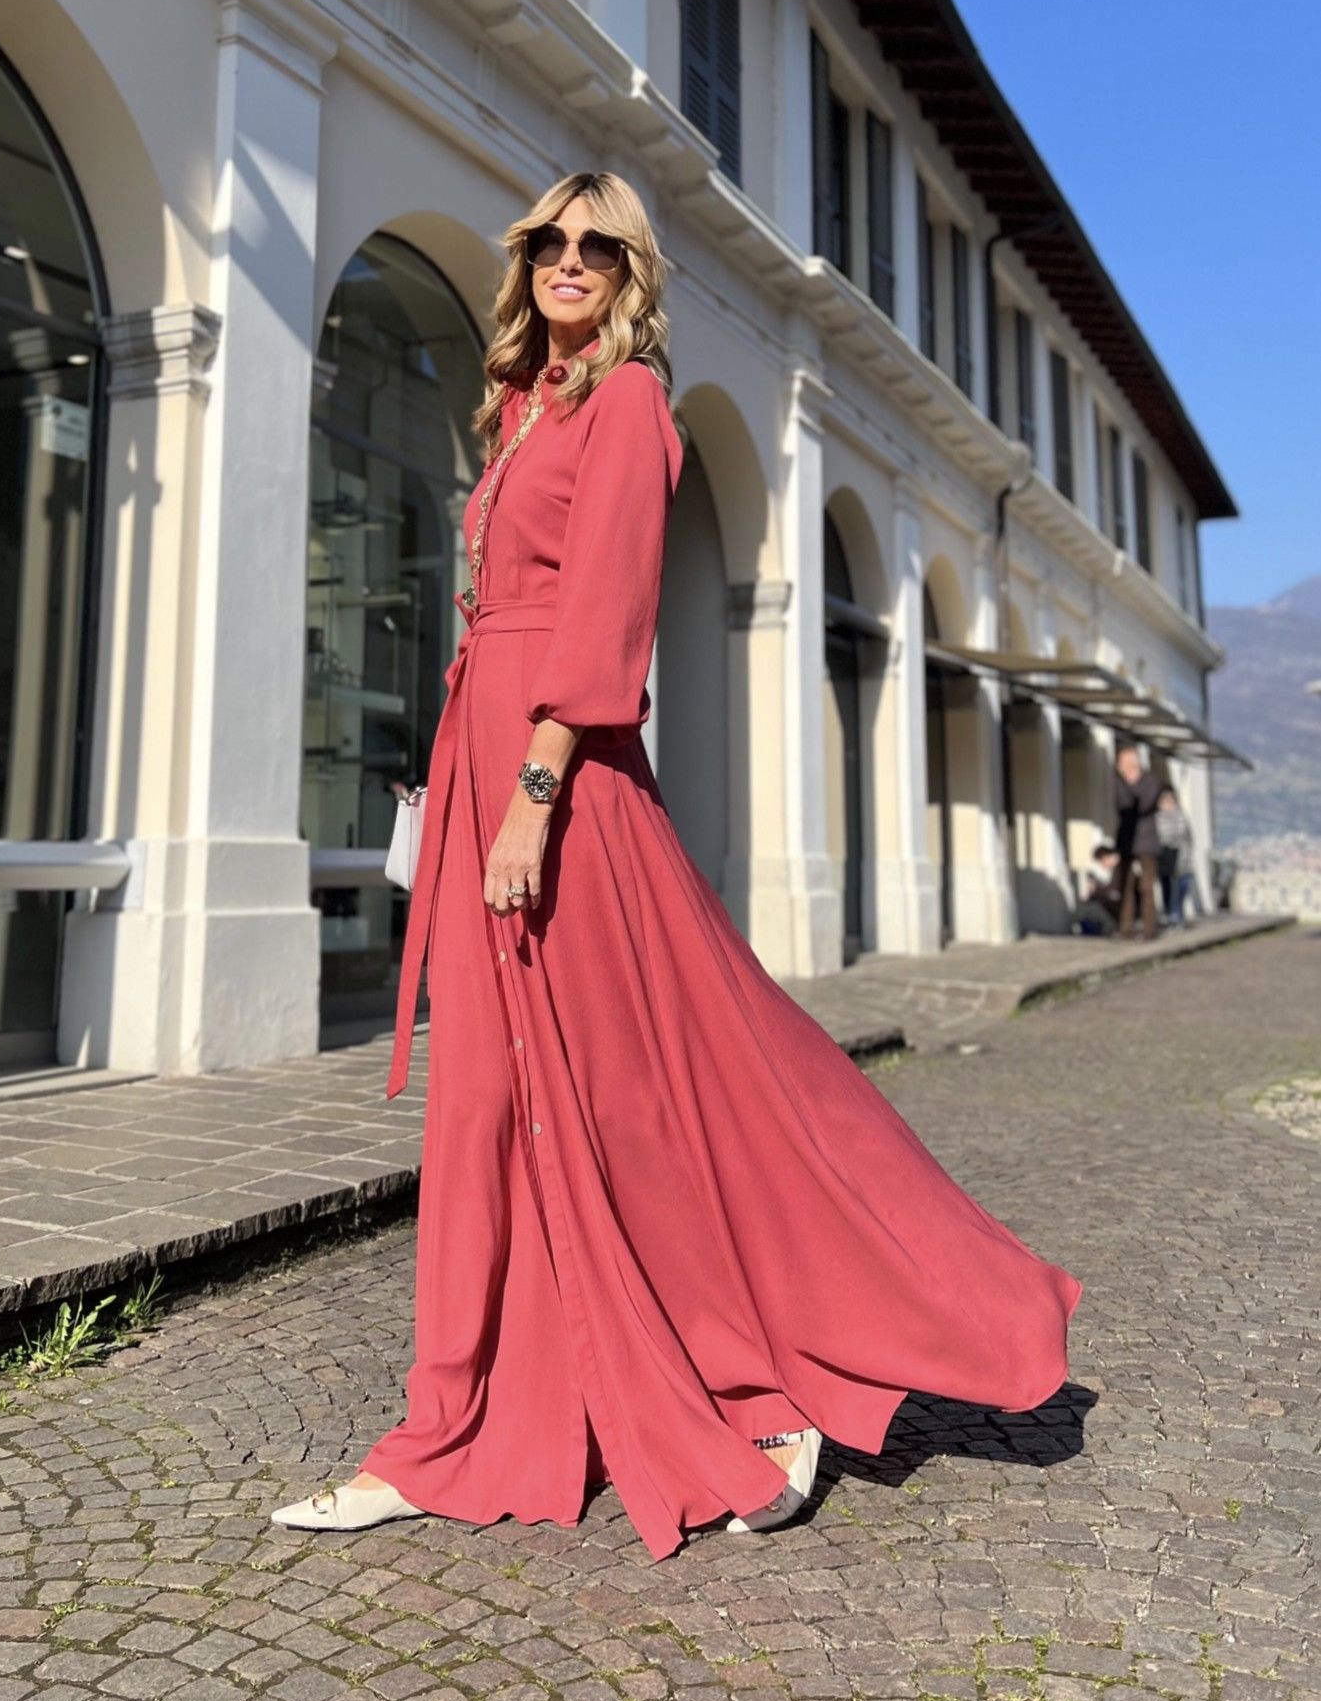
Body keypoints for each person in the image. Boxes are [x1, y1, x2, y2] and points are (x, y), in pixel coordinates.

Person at [271, 169, 1082, 1561]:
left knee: (647, 1098)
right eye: (550, 240)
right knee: (485, 1107)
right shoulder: (524, 408)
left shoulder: (632, 404)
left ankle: (759, 1392)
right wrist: (460, 777)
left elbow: (603, 624)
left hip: (562, 785)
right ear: (525, 259)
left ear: (629, 273)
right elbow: (502, 613)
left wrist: (529, 798)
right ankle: (447, 1421)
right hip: (485, 766)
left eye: (599, 246)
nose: (569, 260)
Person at [1113, 745, 1165, 941]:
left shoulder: (1151, 781)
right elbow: (1121, 804)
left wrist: (1131, 784)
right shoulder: (1118, 782)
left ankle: (1149, 927)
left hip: (1147, 840)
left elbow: (1143, 805)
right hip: (1126, 840)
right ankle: (1125, 926)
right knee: (1125, 885)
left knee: (1146, 886)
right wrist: (1125, 781)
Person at [1155, 787, 1196, 928]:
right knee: (1168, 886)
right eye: (1165, 800)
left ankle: (1178, 913)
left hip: (1182, 856)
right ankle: (1171, 914)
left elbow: (1189, 837)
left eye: (1171, 800)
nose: (1168, 803)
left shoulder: (1182, 817)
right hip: (1165, 857)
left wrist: (1186, 852)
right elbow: (1160, 837)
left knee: (1183, 885)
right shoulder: (1157, 818)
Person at [1072, 844, 1122, 936]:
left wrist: (1096, 889)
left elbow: (1113, 891)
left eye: (1102, 861)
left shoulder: (1118, 869)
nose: (1102, 865)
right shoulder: (1113, 870)